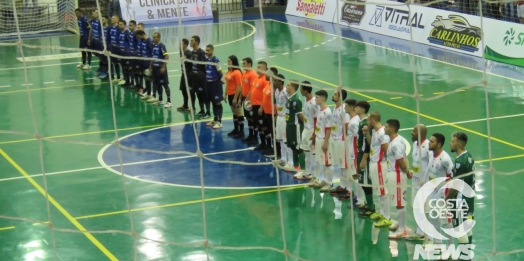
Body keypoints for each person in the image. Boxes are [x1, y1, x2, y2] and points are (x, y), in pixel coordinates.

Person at [425, 133, 454, 247]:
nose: (429, 143)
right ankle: (438, 242)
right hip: (432, 193)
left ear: (439, 144)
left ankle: (450, 248)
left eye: (432, 141)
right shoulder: (431, 155)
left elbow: (452, 177)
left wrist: (447, 195)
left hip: (442, 195)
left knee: (446, 222)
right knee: (433, 217)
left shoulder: (445, 159)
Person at [447, 132, 475, 248]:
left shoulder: (460, 163)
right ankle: (467, 257)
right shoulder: (468, 156)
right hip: (469, 200)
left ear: (458, 144)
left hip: (460, 201)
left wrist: (446, 198)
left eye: (452, 142)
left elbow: (456, 187)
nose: (450, 144)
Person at [384, 119, 412, 239]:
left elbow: (401, 161)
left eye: (386, 126)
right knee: (396, 200)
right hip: (394, 175)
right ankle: (399, 224)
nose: (384, 128)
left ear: (392, 129)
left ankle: (402, 229)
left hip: (398, 176)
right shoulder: (396, 140)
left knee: (400, 202)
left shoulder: (396, 144)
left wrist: (407, 171)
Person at [363, 111, 391, 227]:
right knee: (379, 191)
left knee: (383, 191)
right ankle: (382, 212)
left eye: (368, 120)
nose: (367, 122)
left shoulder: (382, 133)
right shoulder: (375, 131)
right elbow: (372, 144)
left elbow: (387, 150)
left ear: (372, 121)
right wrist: (367, 134)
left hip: (380, 165)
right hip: (374, 164)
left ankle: (387, 217)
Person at [406, 124, 431, 241]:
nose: (412, 132)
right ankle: (420, 232)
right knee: (417, 207)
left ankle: (429, 236)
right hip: (415, 182)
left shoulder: (428, 147)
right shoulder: (415, 144)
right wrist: (412, 171)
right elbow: (417, 162)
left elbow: (431, 164)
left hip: (424, 185)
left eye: (414, 131)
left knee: (425, 209)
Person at [328, 89, 350, 197]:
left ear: (340, 97)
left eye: (335, 94)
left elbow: (346, 125)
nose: (333, 95)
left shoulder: (343, 110)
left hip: (341, 140)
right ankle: (342, 185)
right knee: (340, 165)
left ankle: (348, 189)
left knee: (344, 165)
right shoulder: (335, 108)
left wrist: (343, 139)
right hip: (335, 138)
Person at [355, 101, 375, 216]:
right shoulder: (361, 122)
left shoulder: (365, 124)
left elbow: (368, 143)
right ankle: (369, 204)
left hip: (364, 155)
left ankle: (371, 207)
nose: (355, 108)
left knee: (366, 181)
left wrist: (364, 159)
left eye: (357, 107)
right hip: (360, 154)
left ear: (363, 110)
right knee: (361, 180)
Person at [311, 90, 333, 192]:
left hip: (325, 140)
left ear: (323, 98)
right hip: (319, 139)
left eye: (317, 97)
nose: (315, 99)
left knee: (327, 162)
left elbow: (329, 128)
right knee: (322, 161)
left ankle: (329, 183)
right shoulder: (320, 110)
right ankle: (324, 180)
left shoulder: (328, 112)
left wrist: (325, 142)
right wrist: (314, 136)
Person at [294, 81, 316, 178]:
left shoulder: (314, 102)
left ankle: (310, 173)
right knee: (307, 153)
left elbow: (317, 119)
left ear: (305, 91)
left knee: (311, 154)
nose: (300, 91)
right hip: (306, 129)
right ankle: (307, 172)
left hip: (311, 130)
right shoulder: (307, 100)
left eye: (301, 90)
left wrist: (314, 133)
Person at [343, 98, 363, 202]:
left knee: (356, 176)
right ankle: (358, 197)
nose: (345, 108)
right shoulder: (353, 120)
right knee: (354, 176)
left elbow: (358, 138)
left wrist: (355, 153)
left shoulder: (354, 122)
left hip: (354, 154)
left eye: (346, 106)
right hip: (351, 152)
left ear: (352, 108)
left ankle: (360, 200)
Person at [245, 61, 269, 148]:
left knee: (263, 126)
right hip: (254, 106)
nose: (257, 68)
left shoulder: (265, 80)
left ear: (264, 69)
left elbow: (266, 95)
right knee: (258, 125)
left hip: (260, 107)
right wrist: (247, 99)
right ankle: (262, 143)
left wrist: (262, 107)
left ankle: (268, 145)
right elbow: (251, 91)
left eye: (259, 67)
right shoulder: (257, 79)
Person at [284, 80, 306, 172]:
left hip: (295, 126)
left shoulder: (296, 100)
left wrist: (306, 126)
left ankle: (303, 170)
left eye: (288, 85)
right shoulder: (290, 98)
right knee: (293, 146)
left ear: (293, 87)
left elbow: (300, 115)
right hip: (289, 125)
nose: (286, 86)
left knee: (298, 147)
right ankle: (295, 166)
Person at [204, 44, 223, 128]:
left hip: (215, 84)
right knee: (212, 101)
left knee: (217, 101)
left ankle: (219, 121)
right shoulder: (207, 59)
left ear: (212, 50)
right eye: (206, 50)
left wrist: (218, 80)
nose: (206, 52)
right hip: (209, 83)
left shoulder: (215, 60)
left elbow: (220, 72)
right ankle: (215, 119)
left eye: (208, 50)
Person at [190, 36, 209, 118]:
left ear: (197, 42)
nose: (190, 42)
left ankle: (208, 112)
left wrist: (203, 75)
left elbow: (205, 64)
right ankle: (202, 110)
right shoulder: (192, 52)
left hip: (201, 77)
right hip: (194, 77)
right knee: (198, 94)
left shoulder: (201, 52)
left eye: (192, 41)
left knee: (204, 94)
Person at [223, 55, 243, 136]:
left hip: (235, 94)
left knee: (238, 113)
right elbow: (227, 84)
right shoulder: (229, 71)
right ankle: (236, 129)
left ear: (233, 62)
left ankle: (241, 131)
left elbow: (239, 86)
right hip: (230, 94)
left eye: (229, 61)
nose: (228, 63)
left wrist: (235, 98)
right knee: (234, 112)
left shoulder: (237, 72)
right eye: (227, 61)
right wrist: (225, 94)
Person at [240, 57, 259, 142]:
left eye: (244, 63)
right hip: (245, 98)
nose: (243, 65)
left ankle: (255, 137)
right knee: (248, 117)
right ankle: (251, 135)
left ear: (249, 64)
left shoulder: (252, 74)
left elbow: (252, 88)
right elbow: (243, 86)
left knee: (253, 118)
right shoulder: (244, 73)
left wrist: (248, 99)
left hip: (250, 99)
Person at [150, 32, 171, 108]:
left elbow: (167, 56)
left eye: (155, 37)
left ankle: (169, 101)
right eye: (153, 37)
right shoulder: (153, 46)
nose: (154, 38)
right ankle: (160, 99)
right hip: (155, 68)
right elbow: (153, 56)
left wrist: (163, 66)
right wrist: (151, 66)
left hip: (160, 68)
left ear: (159, 38)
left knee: (165, 85)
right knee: (157, 84)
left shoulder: (162, 46)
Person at [135, 30, 156, 102]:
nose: (138, 38)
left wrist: (151, 65)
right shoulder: (142, 41)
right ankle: (148, 93)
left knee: (152, 79)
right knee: (146, 79)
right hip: (144, 63)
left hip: (149, 63)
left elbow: (154, 53)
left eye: (139, 37)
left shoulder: (149, 41)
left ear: (142, 35)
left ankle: (154, 95)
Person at [177, 38, 194, 112]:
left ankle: (192, 107)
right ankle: (185, 105)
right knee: (183, 90)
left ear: (185, 45)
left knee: (190, 91)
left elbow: (192, 63)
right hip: (184, 74)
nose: (179, 45)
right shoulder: (181, 51)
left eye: (181, 44)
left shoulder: (189, 53)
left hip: (189, 75)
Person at [109, 15, 122, 82]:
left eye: (113, 18)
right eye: (111, 18)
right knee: (112, 62)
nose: (112, 19)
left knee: (117, 62)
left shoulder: (119, 28)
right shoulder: (111, 28)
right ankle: (112, 76)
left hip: (117, 48)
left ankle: (119, 76)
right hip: (112, 48)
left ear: (117, 20)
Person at [88, 10, 102, 75]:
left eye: (96, 12)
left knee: (101, 56)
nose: (93, 13)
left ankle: (102, 69)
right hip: (94, 40)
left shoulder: (101, 22)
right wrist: (89, 39)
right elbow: (91, 30)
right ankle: (101, 68)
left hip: (100, 41)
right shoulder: (93, 21)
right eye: (93, 12)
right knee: (97, 54)